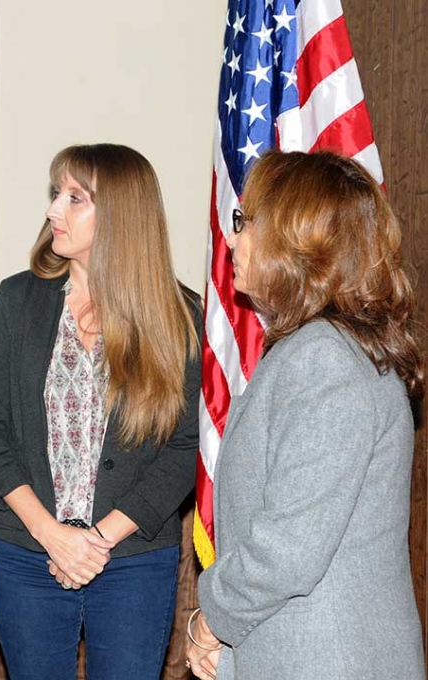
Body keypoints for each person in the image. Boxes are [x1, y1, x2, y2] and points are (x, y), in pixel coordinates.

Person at [186, 150, 425, 680]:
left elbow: (288, 547)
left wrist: (212, 620)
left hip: (327, 657)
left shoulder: (325, 360)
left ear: (298, 243)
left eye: (247, 223)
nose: (231, 239)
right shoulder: (318, 349)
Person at [0, 143, 202, 680]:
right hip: (29, 553)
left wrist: (96, 542)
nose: (53, 210)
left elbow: (186, 446)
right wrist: (52, 534)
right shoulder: (17, 301)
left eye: (75, 198)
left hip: (133, 559)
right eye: (56, 194)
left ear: (120, 215)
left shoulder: (179, 316)